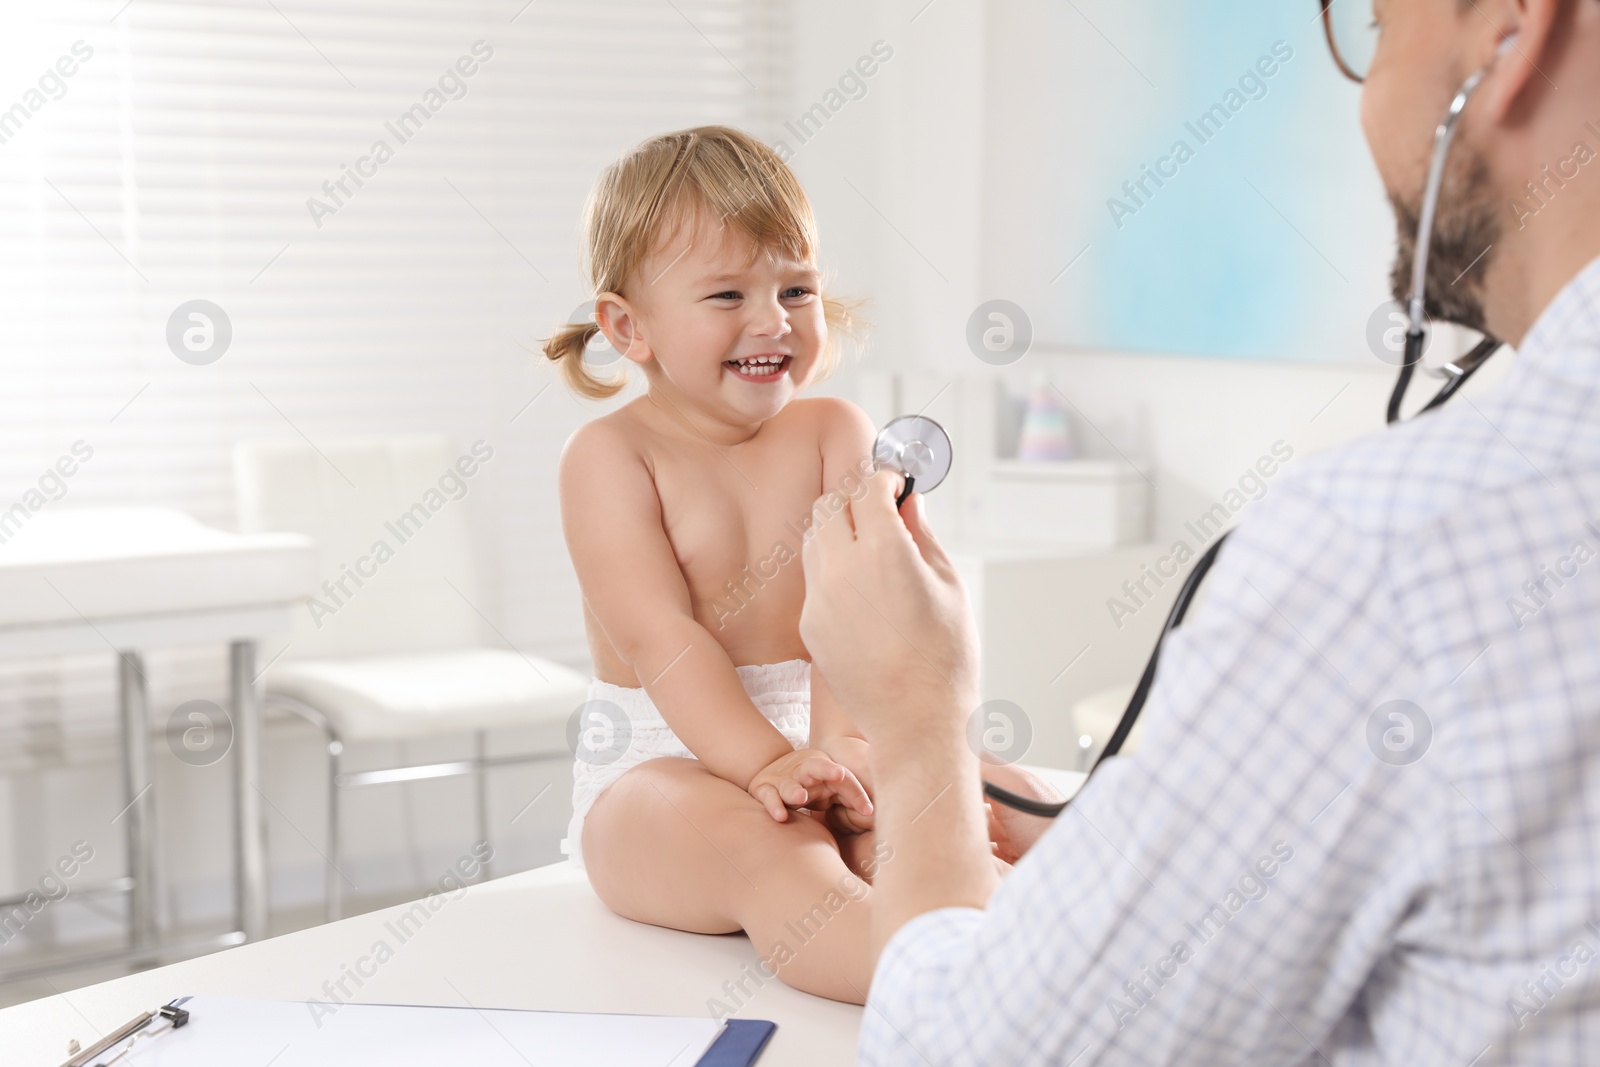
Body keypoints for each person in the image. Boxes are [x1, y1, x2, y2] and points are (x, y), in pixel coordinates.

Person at [800, 0, 1600, 1061]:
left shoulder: (1386, 553)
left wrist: (913, 730)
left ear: (1508, 31)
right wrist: (1110, 836)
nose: (1366, 102)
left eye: (1372, 26)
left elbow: (967, 1050)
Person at [543, 126, 1054, 1005]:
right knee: (774, 846)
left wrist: (848, 754)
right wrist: (765, 763)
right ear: (628, 326)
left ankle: (1079, 922)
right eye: (727, 292)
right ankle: (947, 985)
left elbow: (860, 619)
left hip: (829, 733)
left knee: (1003, 789)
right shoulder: (611, 457)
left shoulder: (834, 434)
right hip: (664, 763)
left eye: (798, 287)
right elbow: (662, 638)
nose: (773, 319)